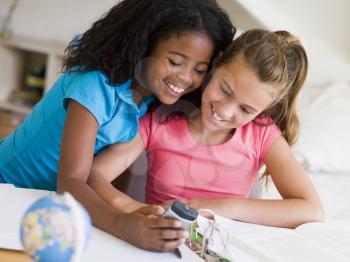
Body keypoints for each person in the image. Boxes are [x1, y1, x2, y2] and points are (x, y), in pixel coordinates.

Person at [0, 0, 235, 251]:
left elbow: (107, 171)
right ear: (144, 44)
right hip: (10, 190)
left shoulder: (152, 97)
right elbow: (70, 181)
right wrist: (123, 224)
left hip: (52, 206)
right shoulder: (95, 84)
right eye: (175, 62)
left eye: (199, 69)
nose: (186, 78)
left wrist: (130, 211)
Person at [88, 29, 324, 231]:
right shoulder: (161, 122)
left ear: (265, 109)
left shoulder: (262, 134)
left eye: (245, 109)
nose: (226, 110)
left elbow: (311, 210)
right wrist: (134, 208)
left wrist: (219, 206)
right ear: (216, 63)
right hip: (161, 240)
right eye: (225, 90)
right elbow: (94, 175)